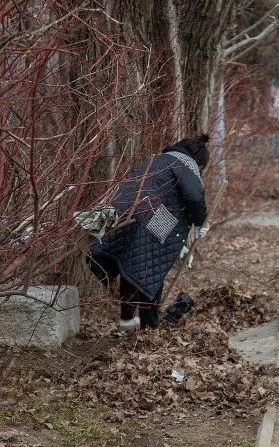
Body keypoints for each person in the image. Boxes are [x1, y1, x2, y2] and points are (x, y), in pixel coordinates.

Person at [87, 135, 209, 331]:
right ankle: (148, 327)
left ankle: (127, 320)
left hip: (124, 213)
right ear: (199, 162)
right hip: (153, 218)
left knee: (132, 263)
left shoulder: (156, 159)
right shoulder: (186, 165)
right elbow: (194, 196)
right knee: (151, 269)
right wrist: (199, 221)